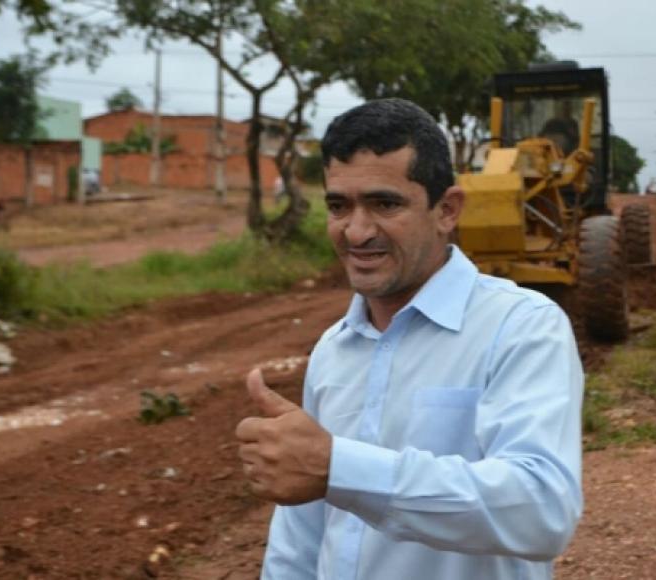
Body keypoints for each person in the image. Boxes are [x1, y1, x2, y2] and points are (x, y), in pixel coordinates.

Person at [235, 98, 584, 579]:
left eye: (385, 204)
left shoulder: (521, 327)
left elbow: (541, 510)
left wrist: (339, 468)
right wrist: (328, 471)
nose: (357, 232)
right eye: (338, 206)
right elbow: (301, 537)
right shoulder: (333, 350)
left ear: (447, 210)